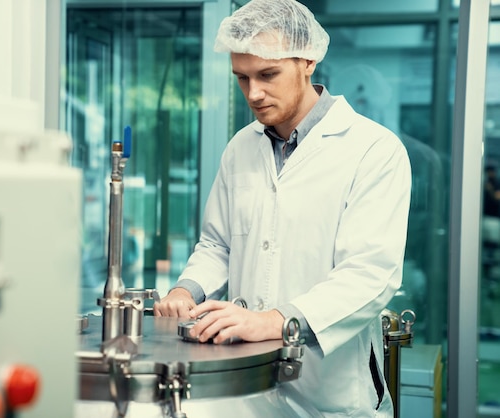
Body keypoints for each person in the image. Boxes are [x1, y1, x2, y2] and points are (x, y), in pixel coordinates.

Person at [153, 0, 411, 416]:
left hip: (330, 393)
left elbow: (370, 275)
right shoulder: (241, 146)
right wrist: (188, 290)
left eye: (267, 75)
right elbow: (218, 244)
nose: (253, 93)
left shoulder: (373, 150)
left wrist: (276, 322)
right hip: (246, 388)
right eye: (242, 78)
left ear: (308, 61)